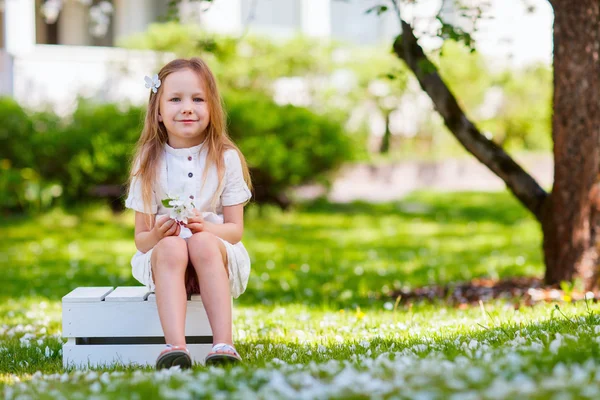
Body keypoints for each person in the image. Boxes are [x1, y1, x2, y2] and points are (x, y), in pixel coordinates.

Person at [124, 58, 252, 369]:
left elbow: (234, 231)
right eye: (175, 99)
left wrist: (206, 228)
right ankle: (174, 348)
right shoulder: (148, 160)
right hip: (167, 260)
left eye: (197, 99)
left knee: (202, 243)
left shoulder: (225, 158)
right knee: (170, 246)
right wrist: (158, 233)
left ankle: (223, 344)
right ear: (157, 110)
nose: (187, 108)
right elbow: (142, 241)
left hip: (214, 253)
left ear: (212, 108)